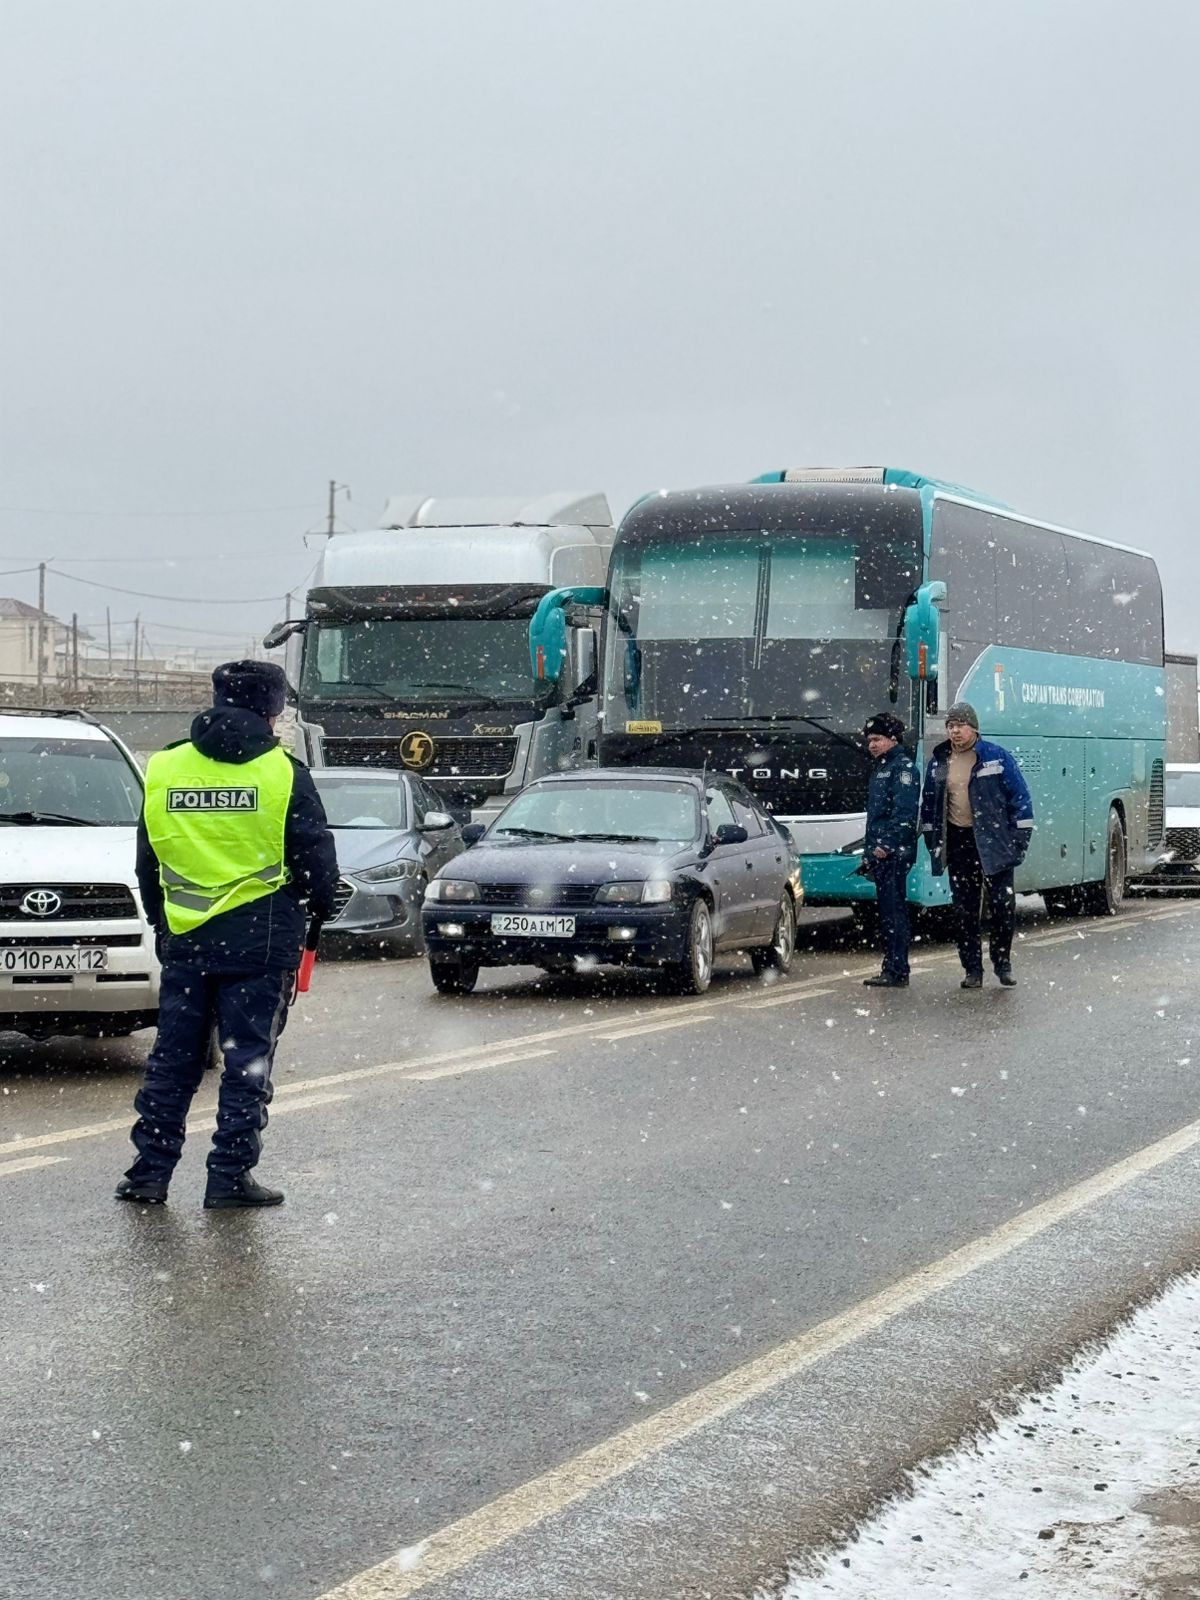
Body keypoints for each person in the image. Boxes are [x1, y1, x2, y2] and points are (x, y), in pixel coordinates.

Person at [116, 661, 339, 1209]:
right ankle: (228, 1178)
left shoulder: (165, 767)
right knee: (246, 1063)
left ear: (216, 698)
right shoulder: (283, 772)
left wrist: (162, 923)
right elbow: (314, 857)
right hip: (261, 944)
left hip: (187, 940)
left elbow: (149, 860)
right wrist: (322, 903)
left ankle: (149, 1174)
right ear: (275, 708)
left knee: (174, 1060)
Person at [919, 701, 1034, 989]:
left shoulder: (996, 758)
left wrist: (1018, 842)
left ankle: (1002, 963)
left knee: (1002, 905)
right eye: (950, 726)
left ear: (974, 728)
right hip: (959, 842)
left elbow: (1020, 800)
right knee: (965, 909)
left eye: (960, 725)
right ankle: (972, 969)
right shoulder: (939, 761)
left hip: (994, 842)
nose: (954, 731)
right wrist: (933, 840)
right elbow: (930, 805)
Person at [859, 712, 920, 988]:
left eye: (877, 739)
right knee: (887, 913)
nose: (872, 745)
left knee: (894, 912)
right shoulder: (882, 767)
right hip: (881, 851)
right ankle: (892, 966)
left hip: (894, 853)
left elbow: (904, 814)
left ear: (892, 739)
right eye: (869, 740)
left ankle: (897, 970)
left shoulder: (902, 768)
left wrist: (886, 845)